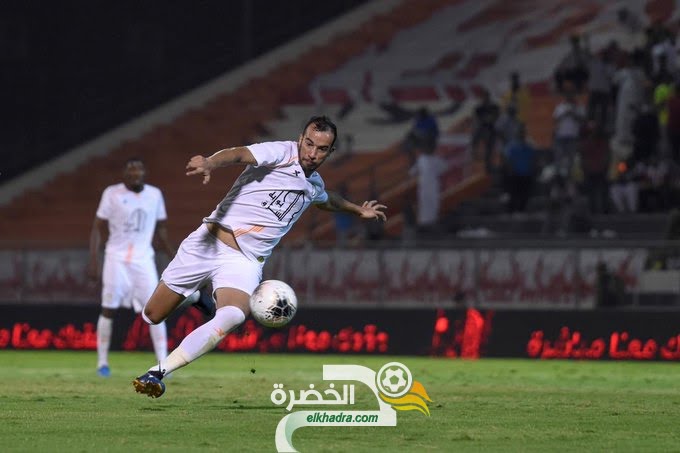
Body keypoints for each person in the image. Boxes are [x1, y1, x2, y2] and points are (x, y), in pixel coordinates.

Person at [132, 116, 387, 397]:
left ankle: (157, 373)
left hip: (245, 262)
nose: (312, 153)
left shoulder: (312, 184)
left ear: (330, 152)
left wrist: (357, 210)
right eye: (309, 143)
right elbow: (240, 154)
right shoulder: (280, 153)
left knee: (233, 315)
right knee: (152, 315)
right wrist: (209, 162)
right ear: (300, 138)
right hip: (208, 243)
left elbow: (326, 199)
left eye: (322, 149)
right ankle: (196, 297)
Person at [88, 158, 176, 377]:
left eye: (138, 170)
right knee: (108, 308)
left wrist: (174, 257)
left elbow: (161, 230)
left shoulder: (155, 194)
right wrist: (93, 260)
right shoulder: (112, 193)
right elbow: (97, 228)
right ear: (124, 175)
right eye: (131, 171)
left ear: (144, 173)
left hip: (143, 260)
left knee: (156, 310)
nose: (135, 174)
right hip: (115, 259)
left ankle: (162, 363)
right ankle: (102, 363)